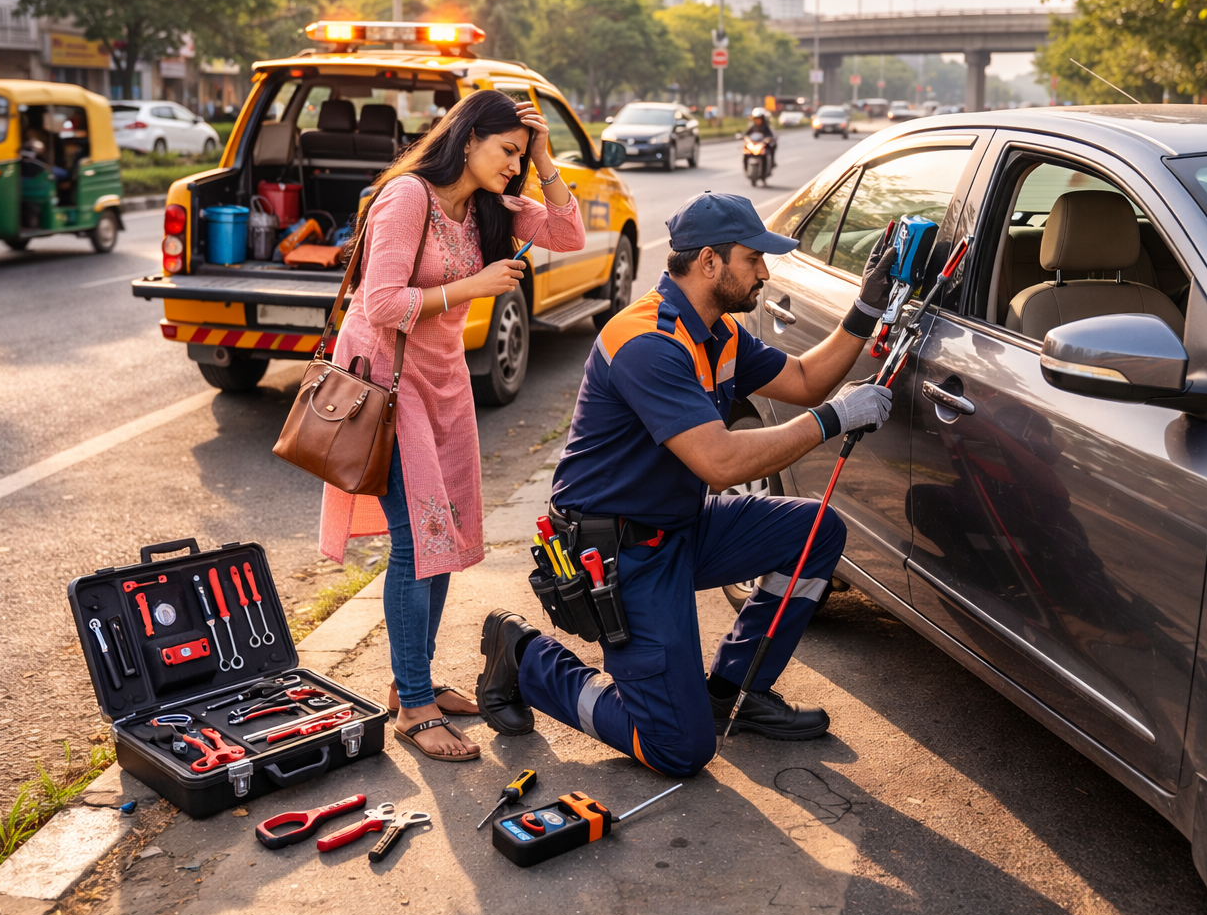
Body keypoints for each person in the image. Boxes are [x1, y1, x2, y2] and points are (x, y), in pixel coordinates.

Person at [475, 190, 899, 777]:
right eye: (754, 260)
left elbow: (803, 380)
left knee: (815, 532)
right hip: (620, 553)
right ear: (709, 263)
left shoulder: (717, 330)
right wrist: (835, 419)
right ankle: (523, 658)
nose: (765, 273)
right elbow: (720, 463)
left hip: (679, 525)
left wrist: (867, 308)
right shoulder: (648, 341)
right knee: (678, 749)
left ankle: (733, 693)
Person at [319, 89, 585, 762]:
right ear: (467, 139)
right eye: (505, 151)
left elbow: (569, 234)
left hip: (441, 384)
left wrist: (545, 158)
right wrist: (474, 288)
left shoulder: (490, 207)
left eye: (518, 156)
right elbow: (378, 302)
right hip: (387, 382)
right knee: (416, 544)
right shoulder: (410, 196)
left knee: (440, 543)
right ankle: (412, 706)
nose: (511, 166)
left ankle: (415, 683)